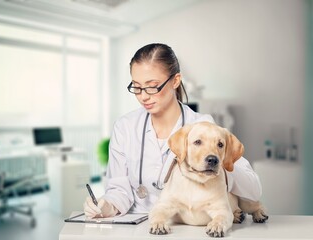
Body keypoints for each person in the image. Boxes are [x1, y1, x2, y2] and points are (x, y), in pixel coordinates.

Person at [83, 43, 262, 218]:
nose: (143, 96)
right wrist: (106, 205)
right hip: (137, 227)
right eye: (136, 87)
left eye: (152, 86)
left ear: (175, 81)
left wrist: (217, 163)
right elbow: (118, 190)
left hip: (185, 228)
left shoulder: (202, 127)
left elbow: (253, 189)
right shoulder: (125, 127)